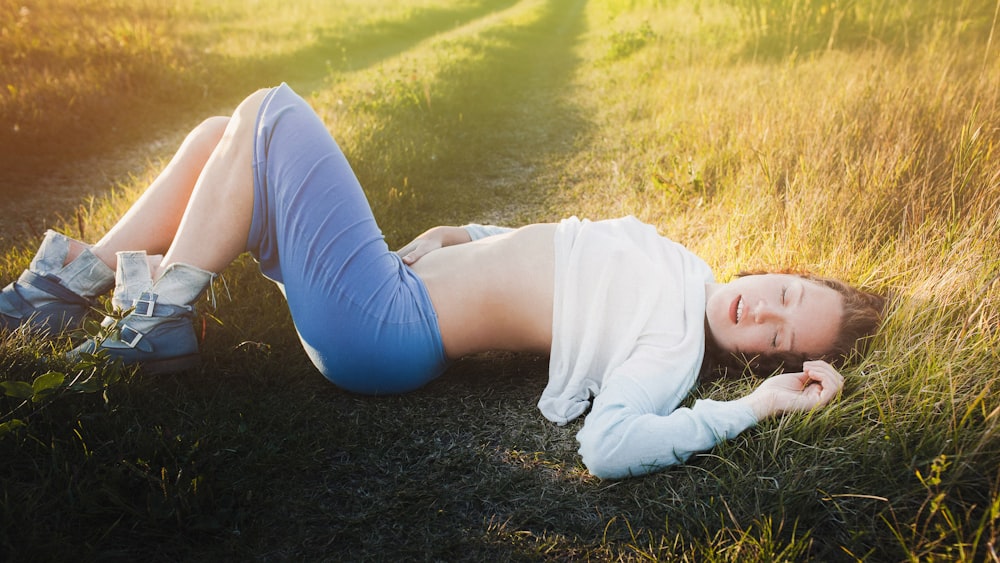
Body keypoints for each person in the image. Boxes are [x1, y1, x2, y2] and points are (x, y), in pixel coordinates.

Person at [0, 84, 884, 479]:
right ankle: (62, 291)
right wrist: (470, 231)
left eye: (775, 338)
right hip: (388, 283)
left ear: (755, 359)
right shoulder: (685, 266)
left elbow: (610, 449)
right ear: (778, 268)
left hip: (385, 326)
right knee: (214, 137)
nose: (762, 311)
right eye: (784, 294)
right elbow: (566, 244)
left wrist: (761, 407)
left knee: (273, 111)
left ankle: (158, 321)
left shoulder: (672, 353)